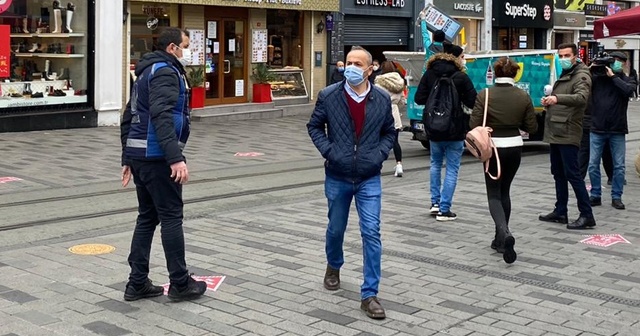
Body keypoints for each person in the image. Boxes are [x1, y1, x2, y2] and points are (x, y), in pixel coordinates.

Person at [307, 46, 395, 320]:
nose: (351, 68)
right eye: (348, 63)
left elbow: (390, 132)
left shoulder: (381, 98)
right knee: (336, 228)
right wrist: (330, 151)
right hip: (338, 174)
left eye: (358, 63)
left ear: (371, 69)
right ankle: (333, 266)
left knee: (372, 232)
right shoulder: (329, 95)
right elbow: (314, 126)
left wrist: (379, 155)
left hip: (369, 176)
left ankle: (369, 294)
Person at [120, 27, 207, 302]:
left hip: (140, 155)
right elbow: (161, 116)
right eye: (185, 45)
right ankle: (180, 283)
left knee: (147, 216)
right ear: (172, 48)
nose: (187, 50)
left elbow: (127, 115)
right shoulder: (166, 72)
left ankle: (137, 283)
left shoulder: (146, 70)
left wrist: (127, 157)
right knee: (170, 216)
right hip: (157, 157)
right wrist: (175, 158)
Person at [470, 57, 538, 264]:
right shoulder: (523, 95)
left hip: (493, 148)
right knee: (505, 190)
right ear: (515, 73)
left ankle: (504, 233)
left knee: (493, 193)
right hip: (515, 146)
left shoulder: (485, 94)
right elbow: (532, 127)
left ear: (496, 73)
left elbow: (474, 123)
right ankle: (500, 239)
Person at [414, 44, 477, 221]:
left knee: (435, 164)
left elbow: (419, 98)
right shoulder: (461, 76)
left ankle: (434, 203)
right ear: (457, 58)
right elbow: (473, 102)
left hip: (434, 127)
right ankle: (444, 209)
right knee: (452, 168)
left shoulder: (430, 73)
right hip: (455, 128)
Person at [539, 43, 596, 230]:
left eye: (566, 55)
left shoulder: (581, 74)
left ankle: (587, 215)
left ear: (575, 56)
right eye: (560, 55)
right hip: (557, 130)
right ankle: (560, 211)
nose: (563, 58)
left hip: (569, 130)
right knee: (558, 173)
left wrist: (557, 99)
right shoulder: (567, 73)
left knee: (573, 174)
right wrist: (550, 102)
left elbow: (581, 99)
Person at [587, 51, 636, 210]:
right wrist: (591, 67)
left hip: (617, 129)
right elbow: (583, 82)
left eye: (618, 61)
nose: (614, 64)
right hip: (597, 128)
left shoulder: (626, 79)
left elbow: (629, 91)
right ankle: (595, 194)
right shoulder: (598, 78)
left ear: (624, 63)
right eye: (612, 61)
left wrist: (613, 77)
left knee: (619, 166)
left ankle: (617, 196)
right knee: (593, 164)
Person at [375, 61, 406, 177]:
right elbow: (402, 101)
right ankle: (399, 165)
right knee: (395, 141)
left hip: (381, 114)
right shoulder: (399, 82)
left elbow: (375, 99)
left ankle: (376, 165)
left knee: (378, 140)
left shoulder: (379, 82)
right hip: (394, 112)